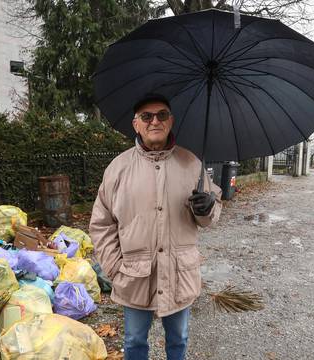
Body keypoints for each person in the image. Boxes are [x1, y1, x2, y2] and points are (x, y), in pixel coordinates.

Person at [89, 94, 222, 360]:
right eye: (146, 116)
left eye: (162, 115)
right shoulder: (118, 168)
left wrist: (208, 208)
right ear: (135, 124)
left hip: (179, 275)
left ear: (171, 121)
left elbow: (211, 214)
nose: (154, 121)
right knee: (135, 342)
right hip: (134, 276)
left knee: (179, 340)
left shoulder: (191, 163)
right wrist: (115, 268)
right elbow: (101, 224)